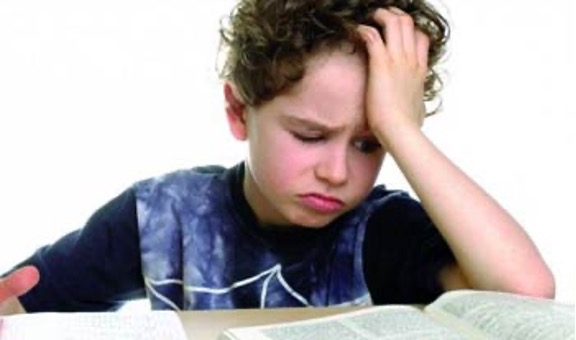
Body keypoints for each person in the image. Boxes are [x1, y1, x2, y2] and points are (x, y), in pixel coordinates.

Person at [0, 0, 554, 315]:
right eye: (310, 136)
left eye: (369, 144)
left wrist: (402, 129)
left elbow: (526, 294)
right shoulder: (165, 216)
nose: (337, 172)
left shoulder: (384, 232)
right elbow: (24, 300)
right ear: (240, 111)